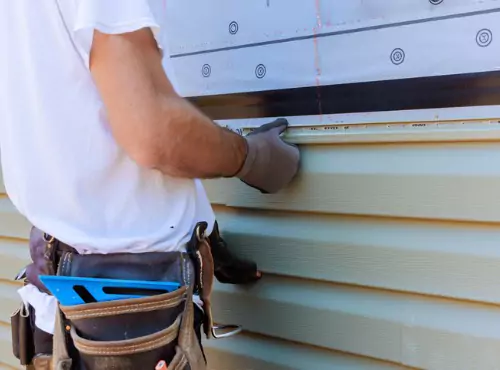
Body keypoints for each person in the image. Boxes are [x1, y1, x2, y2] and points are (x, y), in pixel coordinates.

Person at [0, 1, 300, 369]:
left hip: (60, 315)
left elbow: (74, 130)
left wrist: (195, 226)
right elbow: (153, 131)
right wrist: (251, 158)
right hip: (130, 333)